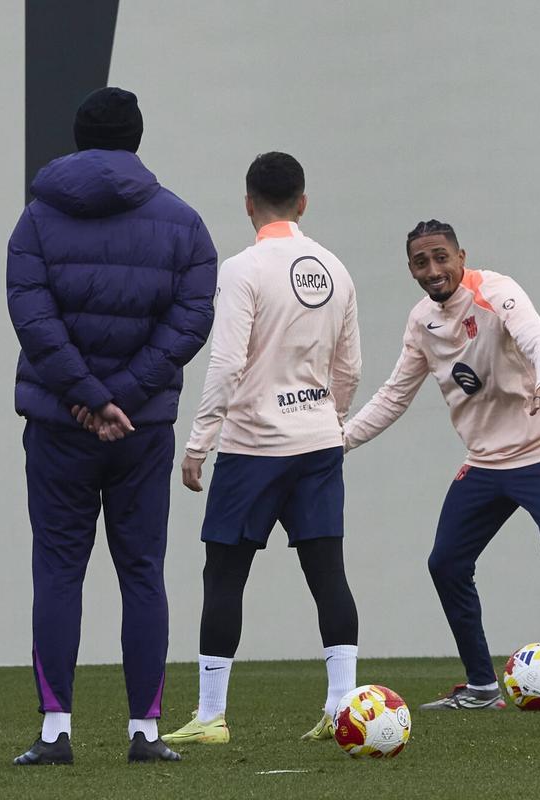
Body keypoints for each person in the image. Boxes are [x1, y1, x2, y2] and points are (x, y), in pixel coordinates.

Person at [6, 87, 216, 765]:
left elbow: (33, 318)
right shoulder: (184, 223)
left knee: (58, 570)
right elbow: (190, 320)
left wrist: (88, 398)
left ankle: (55, 733)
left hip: (60, 427)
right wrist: (121, 398)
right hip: (142, 430)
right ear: (138, 138)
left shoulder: (36, 220)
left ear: (76, 134)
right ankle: (146, 734)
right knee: (143, 572)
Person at [342, 219, 540, 710]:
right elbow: (393, 396)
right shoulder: (422, 321)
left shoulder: (496, 292)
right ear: (411, 269)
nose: (434, 269)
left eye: (442, 257)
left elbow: (538, 341)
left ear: (462, 256)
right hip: (487, 461)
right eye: (422, 262)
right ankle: (483, 686)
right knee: (446, 563)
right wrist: (340, 443)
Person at [161, 152, 362, 746]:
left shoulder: (243, 269)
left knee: (224, 575)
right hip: (319, 442)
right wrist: (331, 417)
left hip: (251, 448)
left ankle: (212, 716)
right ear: (303, 201)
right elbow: (349, 366)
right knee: (328, 573)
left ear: (249, 203)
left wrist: (199, 442)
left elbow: (225, 362)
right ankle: (343, 708)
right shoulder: (337, 268)